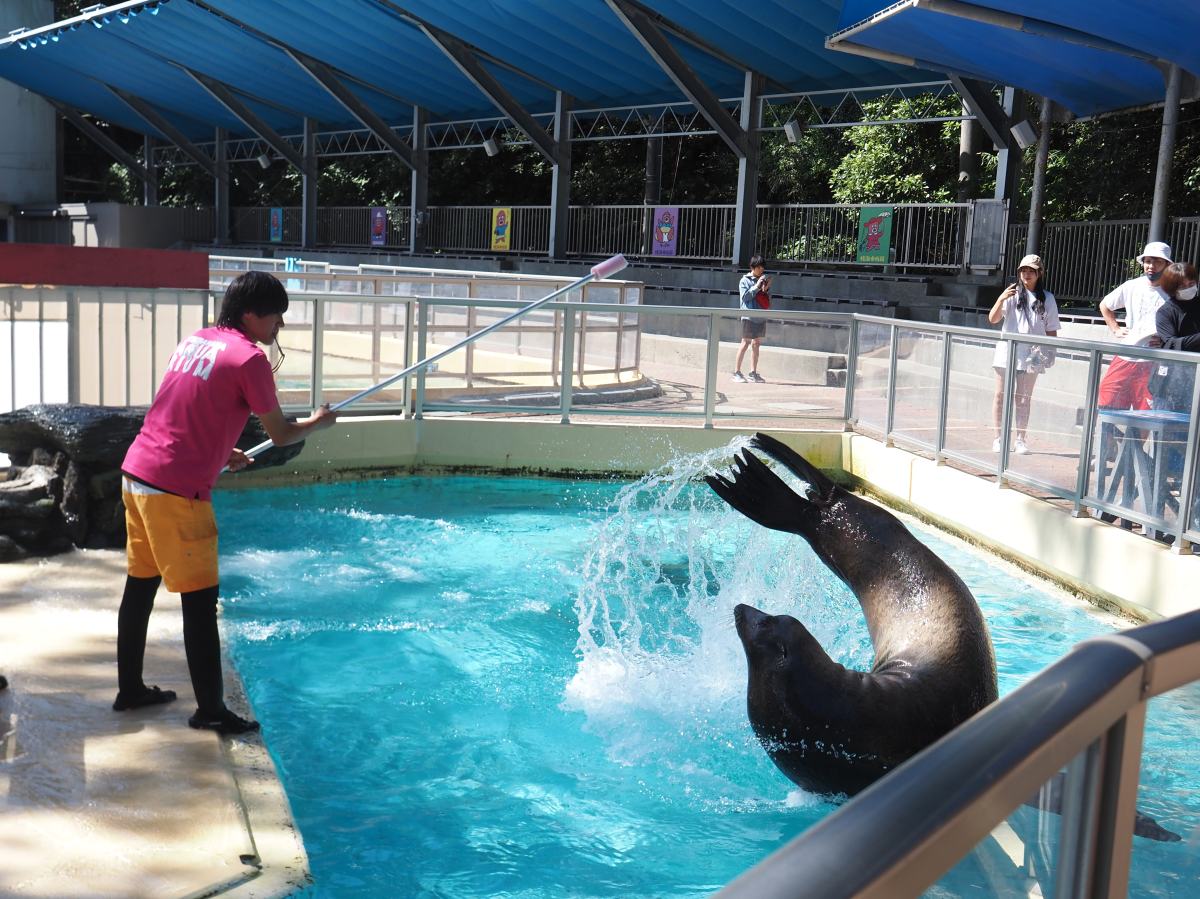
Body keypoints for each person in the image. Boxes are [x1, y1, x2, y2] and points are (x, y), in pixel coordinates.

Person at [114, 271, 337, 734]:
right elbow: (280, 434)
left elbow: (186, 409)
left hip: (137, 473)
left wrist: (221, 452)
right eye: (276, 315)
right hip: (176, 491)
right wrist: (316, 422)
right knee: (199, 605)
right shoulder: (249, 358)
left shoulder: (197, 339)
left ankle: (131, 690)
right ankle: (211, 712)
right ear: (252, 314)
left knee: (140, 588)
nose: (280, 325)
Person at [988, 253, 1059, 454]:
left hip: (1034, 352)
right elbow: (993, 319)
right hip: (1007, 350)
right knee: (1000, 395)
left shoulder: (1048, 298)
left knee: (1024, 397)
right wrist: (1001, 298)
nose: (1027, 274)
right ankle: (999, 437)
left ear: (1039, 273)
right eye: (1023, 270)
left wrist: (1051, 352)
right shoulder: (1011, 294)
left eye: (1031, 271)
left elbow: (1051, 328)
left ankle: (1020, 438)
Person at [1097, 241, 1172, 413]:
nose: (1151, 266)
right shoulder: (1132, 285)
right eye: (1147, 261)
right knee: (1106, 403)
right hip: (1126, 354)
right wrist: (1115, 328)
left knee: (1145, 413)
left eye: (1157, 261)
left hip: (1153, 360)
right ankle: (1111, 439)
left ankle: (1133, 441)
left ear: (1167, 264)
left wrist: (1168, 341)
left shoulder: (1173, 291)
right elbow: (1105, 305)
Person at [733, 254, 770, 383]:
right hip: (748, 316)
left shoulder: (762, 280)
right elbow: (745, 297)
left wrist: (765, 288)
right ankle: (736, 372)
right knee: (745, 343)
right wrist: (757, 286)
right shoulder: (745, 280)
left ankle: (753, 372)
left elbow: (763, 298)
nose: (761, 270)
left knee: (756, 344)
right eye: (759, 267)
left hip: (760, 316)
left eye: (762, 267)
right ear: (752, 267)